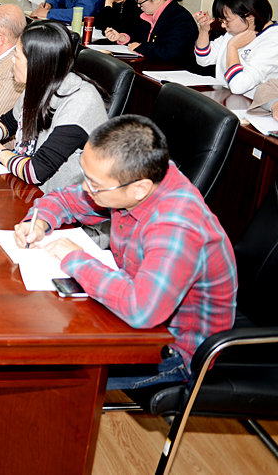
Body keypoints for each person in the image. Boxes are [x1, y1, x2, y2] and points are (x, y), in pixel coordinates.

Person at [14, 115, 237, 389]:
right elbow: (65, 199)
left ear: (139, 188)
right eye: (86, 176)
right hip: (128, 316)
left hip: (174, 351)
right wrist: (40, 221)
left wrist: (75, 259)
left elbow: (141, 310)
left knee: (43, 372)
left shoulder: (177, 225)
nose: (85, 188)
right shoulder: (130, 180)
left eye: (94, 185)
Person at [0, 20, 107, 193]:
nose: (12, 61)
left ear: (37, 62)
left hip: (63, 201)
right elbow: (9, 121)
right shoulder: (42, 82)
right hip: (28, 188)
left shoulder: (81, 102)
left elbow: (37, 171)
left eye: (16, 56)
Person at [193, 0, 278, 97]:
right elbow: (203, 60)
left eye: (227, 20)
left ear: (250, 16)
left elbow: (238, 86)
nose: (223, 25)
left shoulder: (273, 41)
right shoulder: (236, 31)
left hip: (250, 106)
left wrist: (232, 47)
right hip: (225, 99)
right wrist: (204, 30)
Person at [106, 0, 198, 67]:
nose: (138, 5)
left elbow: (169, 52)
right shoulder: (151, 14)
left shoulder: (181, 19)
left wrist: (140, 48)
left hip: (175, 69)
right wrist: (121, 37)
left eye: (140, 1)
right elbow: (138, 34)